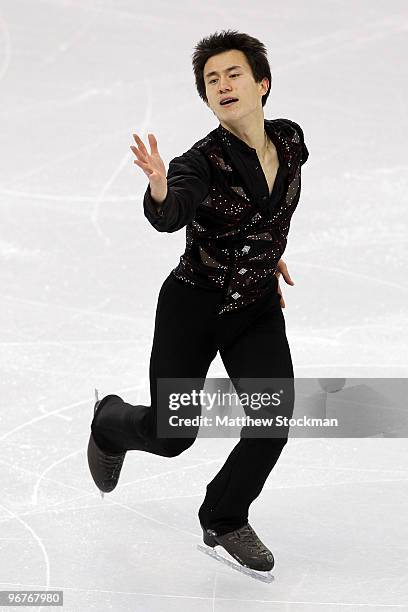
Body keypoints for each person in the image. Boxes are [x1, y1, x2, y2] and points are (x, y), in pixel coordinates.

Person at [87, 29, 309, 576]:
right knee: (172, 437)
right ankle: (110, 421)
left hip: (255, 305)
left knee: (271, 419)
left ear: (262, 83)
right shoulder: (200, 162)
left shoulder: (291, 140)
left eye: (234, 74)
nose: (223, 85)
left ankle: (225, 517)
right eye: (212, 81)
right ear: (207, 99)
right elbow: (171, 212)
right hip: (193, 308)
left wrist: (264, 255)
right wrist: (161, 186)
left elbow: (273, 209)